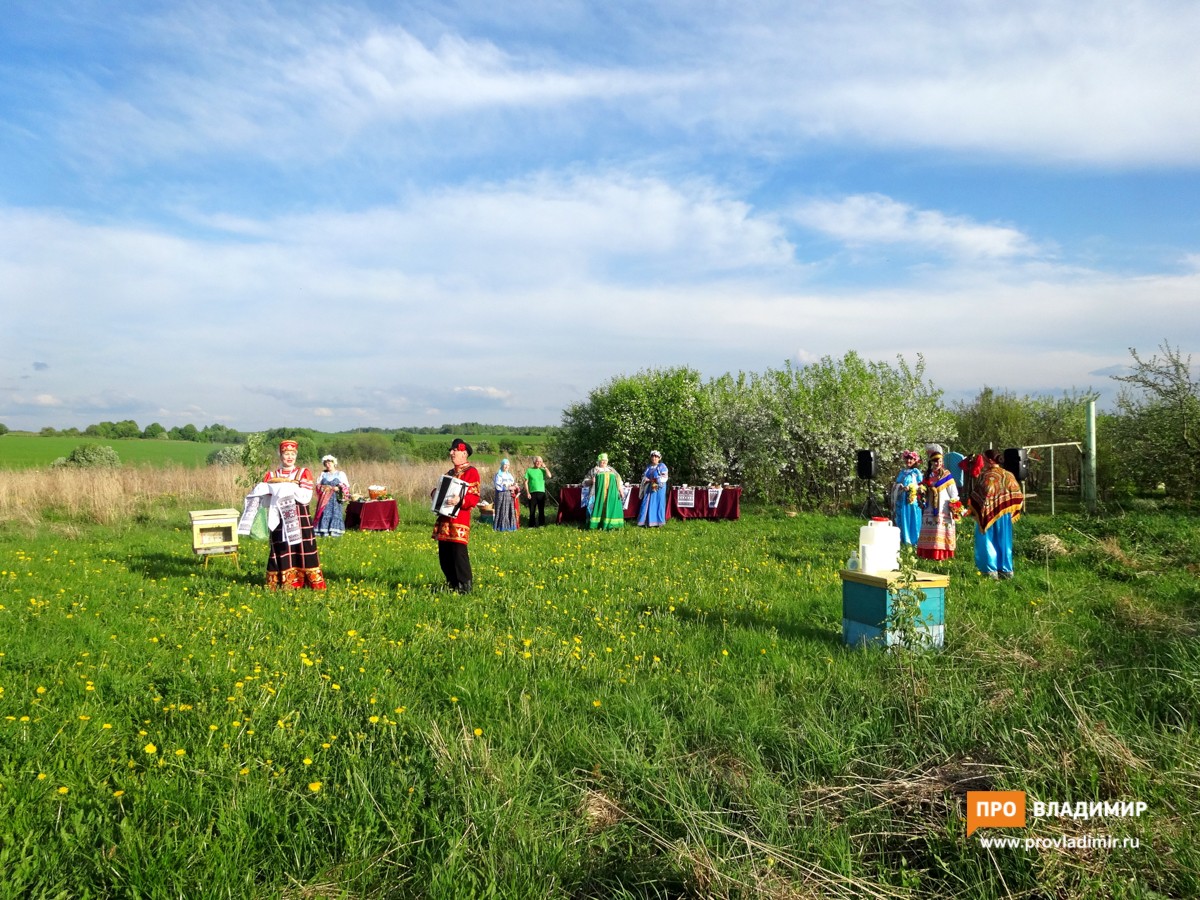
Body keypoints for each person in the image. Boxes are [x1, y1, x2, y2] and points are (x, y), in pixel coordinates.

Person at [256, 439, 326, 590]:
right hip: (279, 517)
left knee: (303, 546)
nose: (289, 457)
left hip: (300, 518)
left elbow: (305, 497)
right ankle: (282, 581)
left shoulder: (303, 473)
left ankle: (307, 580)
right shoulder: (271, 475)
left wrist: (286, 486)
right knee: (282, 546)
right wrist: (286, 485)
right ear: (280, 455)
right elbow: (265, 501)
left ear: (296, 455)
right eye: (286, 454)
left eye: (292, 454)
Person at [431, 438, 481, 592]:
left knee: (459, 555)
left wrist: (460, 500)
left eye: (454, 450)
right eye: (451, 450)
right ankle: (452, 584)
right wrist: (434, 494)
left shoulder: (471, 472)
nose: (451, 453)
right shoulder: (449, 473)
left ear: (464, 453)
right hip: (444, 520)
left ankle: (465, 586)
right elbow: (438, 490)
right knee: (444, 556)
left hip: (459, 520)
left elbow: (474, 496)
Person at [968, 449, 1025, 579]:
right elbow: (1018, 495)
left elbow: (977, 495)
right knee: (1004, 541)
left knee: (987, 541)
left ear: (989, 460)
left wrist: (974, 509)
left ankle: (990, 570)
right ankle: (1006, 570)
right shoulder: (1008, 475)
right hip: (1004, 515)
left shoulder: (985, 476)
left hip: (987, 514)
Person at [916, 443, 960, 561]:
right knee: (930, 529)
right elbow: (923, 489)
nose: (938, 463)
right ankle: (927, 554)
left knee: (941, 530)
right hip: (930, 507)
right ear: (931, 462)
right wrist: (921, 494)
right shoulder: (927, 475)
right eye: (935, 461)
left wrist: (954, 504)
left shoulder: (946, 475)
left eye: (940, 461)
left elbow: (953, 492)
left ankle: (941, 556)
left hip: (943, 507)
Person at [583, 452, 625, 530]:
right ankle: (597, 525)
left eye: (605, 460)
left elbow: (619, 481)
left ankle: (612, 525)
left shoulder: (611, 470)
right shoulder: (594, 470)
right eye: (602, 460)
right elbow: (585, 482)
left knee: (611, 508)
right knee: (599, 508)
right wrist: (591, 481)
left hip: (612, 493)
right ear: (599, 461)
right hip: (598, 494)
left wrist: (621, 491)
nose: (604, 462)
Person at [890, 450, 923, 546]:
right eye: (907, 459)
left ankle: (914, 540)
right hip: (902, 498)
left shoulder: (916, 472)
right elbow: (897, 482)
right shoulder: (902, 472)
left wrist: (911, 487)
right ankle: (904, 539)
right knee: (902, 517)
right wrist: (899, 486)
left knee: (912, 517)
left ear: (915, 461)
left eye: (911, 459)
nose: (909, 461)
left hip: (911, 499)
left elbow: (921, 485)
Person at [314, 454, 350, 537]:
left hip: (335, 498)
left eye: (329, 463)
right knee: (324, 513)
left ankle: (334, 531)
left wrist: (338, 488)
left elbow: (346, 486)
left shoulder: (340, 474)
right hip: (324, 499)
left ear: (334, 463)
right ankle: (323, 531)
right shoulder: (322, 474)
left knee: (335, 513)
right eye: (326, 463)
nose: (328, 465)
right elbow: (317, 486)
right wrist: (324, 487)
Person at [637, 450, 669, 527]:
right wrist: (646, 480)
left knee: (658, 503)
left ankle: (659, 522)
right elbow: (644, 476)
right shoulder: (648, 467)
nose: (654, 458)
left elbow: (664, 477)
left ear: (659, 458)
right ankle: (646, 522)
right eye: (653, 456)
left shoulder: (662, 466)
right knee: (647, 503)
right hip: (649, 487)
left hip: (659, 488)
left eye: (656, 457)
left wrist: (655, 480)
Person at [523, 455, 552, 527]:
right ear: (534, 462)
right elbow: (526, 482)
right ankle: (532, 525)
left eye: (540, 462)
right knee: (532, 510)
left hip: (541, 493)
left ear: (542, 463)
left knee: (541, 509)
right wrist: (527, 493)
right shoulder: (529, 470)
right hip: (532, 493)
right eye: (537, 461)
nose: (538, 463)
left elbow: (550, 476)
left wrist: (545, 467)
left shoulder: (543, 470)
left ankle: (541, 524)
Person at [492, 458, 519, 532]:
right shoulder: (498, 475)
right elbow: (498, 486)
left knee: (509, 510)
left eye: (508, 465)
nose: (507, 466)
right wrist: (509, 487)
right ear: (502, 465)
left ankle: (510, 526)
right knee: (502, 510)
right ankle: (501, 527)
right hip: (501, 495)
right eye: (505, 465)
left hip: (509, 495)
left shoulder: (509, 475)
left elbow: (512, 483)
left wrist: (515, 485)